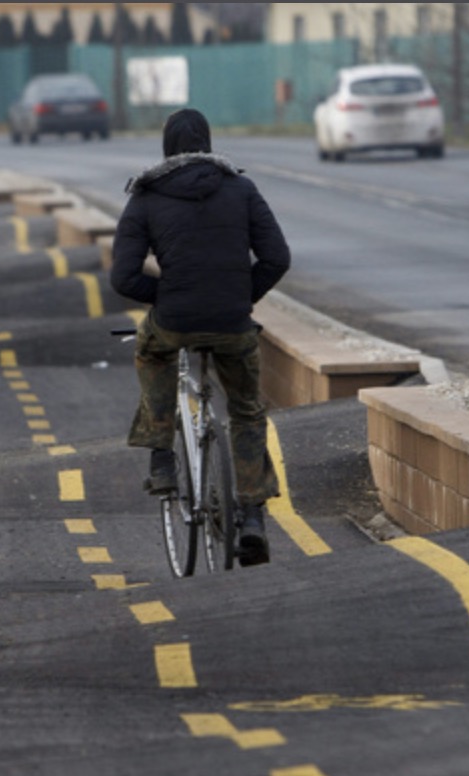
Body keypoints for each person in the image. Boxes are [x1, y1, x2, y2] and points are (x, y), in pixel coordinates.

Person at [111, 108, 291, 568]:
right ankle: (251, 517)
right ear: (208, 145)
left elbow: (124, 276)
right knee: (247, 410)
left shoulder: (146, 196)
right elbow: (277, 257)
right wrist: (240, 296)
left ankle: (161, 459)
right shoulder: (242, 188)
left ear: (166, 147)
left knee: (152, 352)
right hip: (233, 323)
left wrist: (166, 296)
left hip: (174, 317)